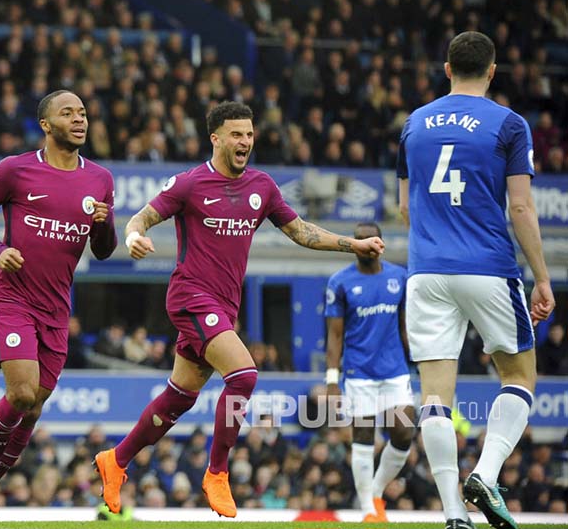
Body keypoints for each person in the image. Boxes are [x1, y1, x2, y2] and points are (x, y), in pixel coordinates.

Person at [94, 101, 384, 518]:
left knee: (180, 397)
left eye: (249, 134)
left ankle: (116, 460)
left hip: (224, 309)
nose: (245, 141)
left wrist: (352, 244)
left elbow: (301, 232)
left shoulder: (262, 186)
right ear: (216, 138)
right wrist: (133, 234)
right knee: (245, 374)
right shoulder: (190, 183)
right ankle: (216, 472)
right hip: (191, 297)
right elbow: (142, 218)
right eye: (236, 134)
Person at [397, 31, 554, 529]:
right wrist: (543, 278)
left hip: (426, 271)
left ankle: (452, 515)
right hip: (488, 268)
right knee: (519, 376)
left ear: (446, 69)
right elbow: (523, 207)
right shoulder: (509, 124)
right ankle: (485, 474)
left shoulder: (413, 124)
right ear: (491, 71)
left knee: (436, 396)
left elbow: (405, 206)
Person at [0, 90, 116, 524]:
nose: (79, 119)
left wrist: (104, 224)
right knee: (22, 393)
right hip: (12, 298)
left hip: (57, 308)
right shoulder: (16, 169)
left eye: (83, 112)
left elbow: (103, 251)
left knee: (35, 404)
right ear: (46, 124)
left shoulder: (100, 179)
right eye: (68, 113)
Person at [324, 221, 414, 523]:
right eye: (358, 240)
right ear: (353, 244)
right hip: (358, 372)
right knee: (362, 435)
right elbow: (334, 336)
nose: (364, 244)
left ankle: (375, 492)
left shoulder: (399, 277)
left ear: (381, 243)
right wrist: (332, 381)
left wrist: (419, 358)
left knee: (404, 431)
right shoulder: (339, 282)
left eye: (370, 240)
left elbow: (405, 326)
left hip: (395, 371)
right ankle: (367, 510)